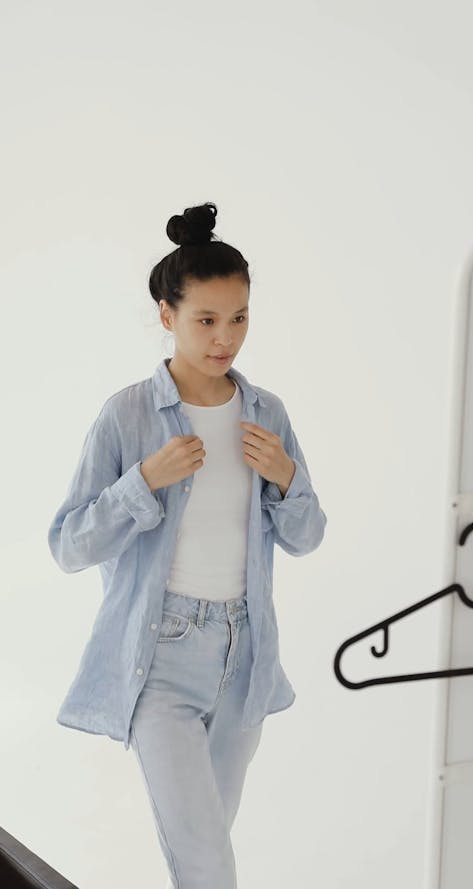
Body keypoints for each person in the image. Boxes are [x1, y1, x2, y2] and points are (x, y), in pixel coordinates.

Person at [47, 201, 327, 889]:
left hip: (245, 658)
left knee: (205, 854)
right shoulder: (129, 414)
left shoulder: (267, 414)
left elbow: (308, 535)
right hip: (161, 659)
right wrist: (143, 481)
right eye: (206, 319)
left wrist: (287, 477)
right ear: (167, 315)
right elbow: (68, 545)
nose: (225, 337)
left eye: (238, 318)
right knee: (207, 861)